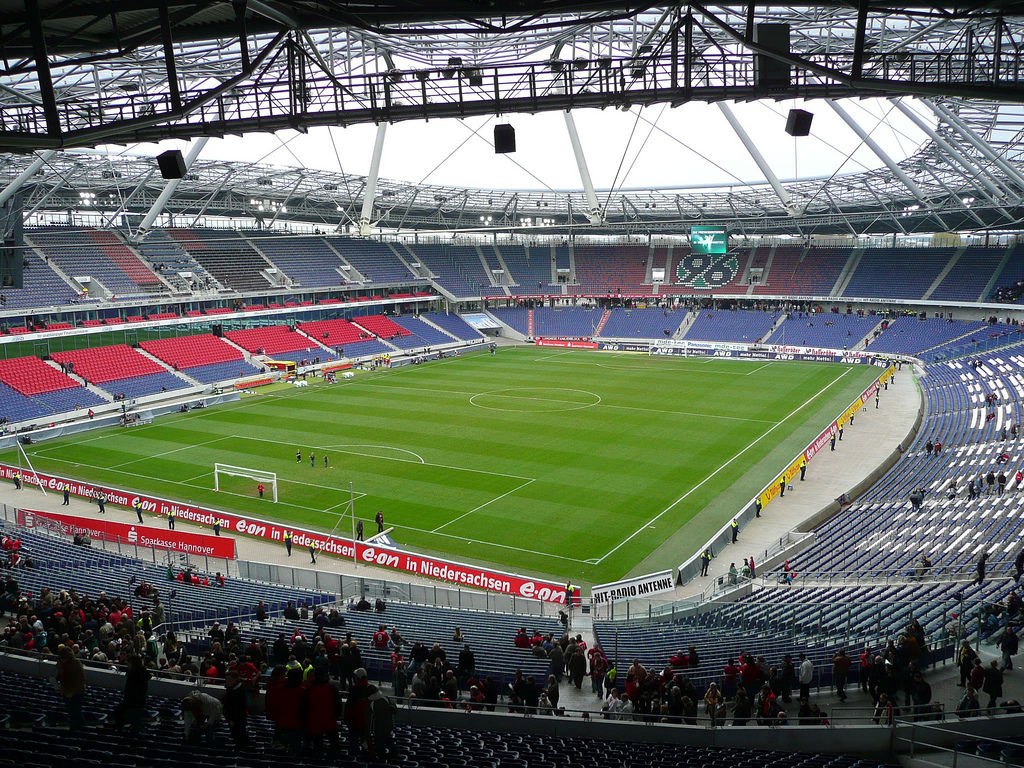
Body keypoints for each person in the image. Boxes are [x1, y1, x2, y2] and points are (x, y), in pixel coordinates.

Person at [56, 644, 85, 731]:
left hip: (75, 693)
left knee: (76, 712)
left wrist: (73, 693)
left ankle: (77, 729)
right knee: (71, 712)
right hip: (66, 691)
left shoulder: (76, 664)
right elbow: (61, 675)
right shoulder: (61, 663)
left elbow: (80, 681)